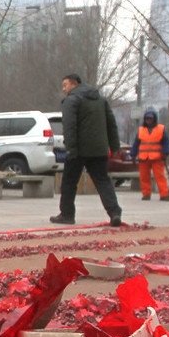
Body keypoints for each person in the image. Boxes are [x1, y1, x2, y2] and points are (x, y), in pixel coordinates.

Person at [52, 73, 121, 227]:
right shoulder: (101, 100)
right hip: (99, 149)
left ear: (74, 84)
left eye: (65, 85)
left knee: (69, 183)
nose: (64, 89)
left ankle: (67, 214)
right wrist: (115, 146)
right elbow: (111, 123)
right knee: (103, 181)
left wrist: (70, 148)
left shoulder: (72, 100)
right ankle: (114, 212)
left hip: (78, 150)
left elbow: (69, 126)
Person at [130, 107, 169, 202]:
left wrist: (165, 152)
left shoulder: (161, 129)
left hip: (157, 157)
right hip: (143, 158)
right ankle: (146, 194)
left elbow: (166, 142)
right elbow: (136, 143)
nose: (148, 120)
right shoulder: (141, 130)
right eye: (147, 118)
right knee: (144, 177)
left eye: (150, 118)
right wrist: (133, 154)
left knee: (160, 177)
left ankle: (164, 194)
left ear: (154, 119)